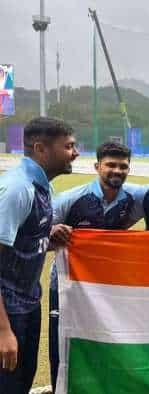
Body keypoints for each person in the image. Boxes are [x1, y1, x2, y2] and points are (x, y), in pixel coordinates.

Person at [47, 141, 143, 390]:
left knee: (107, 341)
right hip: (67, 285)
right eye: (110, 165)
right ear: (97, 166)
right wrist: (52, 233)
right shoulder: (69, 199)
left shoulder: (134, 198)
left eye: (123, 166)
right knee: (64, 341)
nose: (117, 171)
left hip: (108, 286)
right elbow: (36, 237)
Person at [0, 117, 79, 393]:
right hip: (6, 312)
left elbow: (21, 244)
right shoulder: (17, 189)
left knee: (21, 383)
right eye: (69, 146)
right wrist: (3, 331)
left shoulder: (43, 185)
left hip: (29, 304)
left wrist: (48, 238)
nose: (76, 152)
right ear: (41, 149)